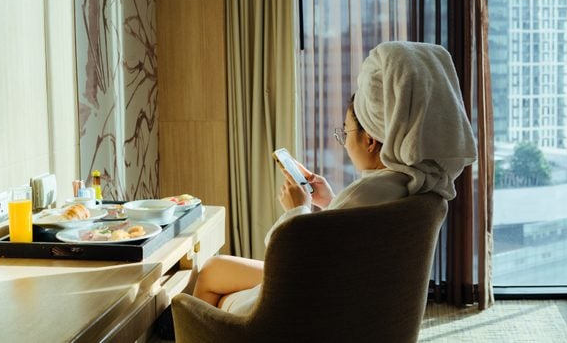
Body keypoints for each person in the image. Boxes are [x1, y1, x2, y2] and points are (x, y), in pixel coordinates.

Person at [191, 40, 477, 315]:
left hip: (312, 300)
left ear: (370, 140)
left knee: (212, 277)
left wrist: (297, 209)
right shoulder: (418, 184)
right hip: (352, 296)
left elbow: (292, 258)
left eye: (346, 131)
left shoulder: (365, 193)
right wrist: (330, 202)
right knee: (217, 269)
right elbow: (351, 238)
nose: (344, 141)